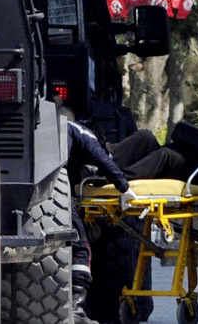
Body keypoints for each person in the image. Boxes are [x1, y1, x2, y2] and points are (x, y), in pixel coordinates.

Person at [66, 120, 136, 324]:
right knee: (80, 248)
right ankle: (76, 311)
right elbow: (102, 160)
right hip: (52, 191)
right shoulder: (82, 132)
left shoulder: (47, 128)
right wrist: (124, 187)